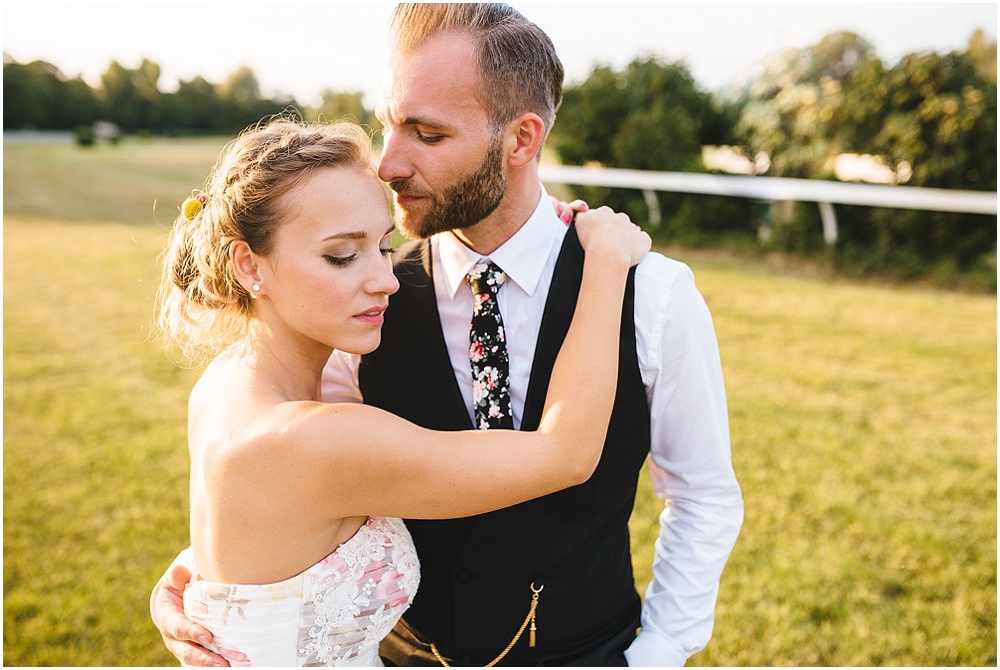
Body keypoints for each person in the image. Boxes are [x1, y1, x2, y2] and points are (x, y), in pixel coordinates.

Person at [152, 3, 744, 666]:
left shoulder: (654, 296)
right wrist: (208, 583)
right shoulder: (362, 307)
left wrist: (658, 653)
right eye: (386, 126)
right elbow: (287, 484)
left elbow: (702, 497)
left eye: (425, 135)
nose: (387, 164)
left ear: (520, 141)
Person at [154, 115, 650, 667]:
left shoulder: (223, 383)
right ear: (249, 265)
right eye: (342, 255)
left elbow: (253, 537)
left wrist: (191, 582)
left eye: (384, 247)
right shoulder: (320, 440)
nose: (386, 280)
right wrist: (606, 264)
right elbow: (566, 455)